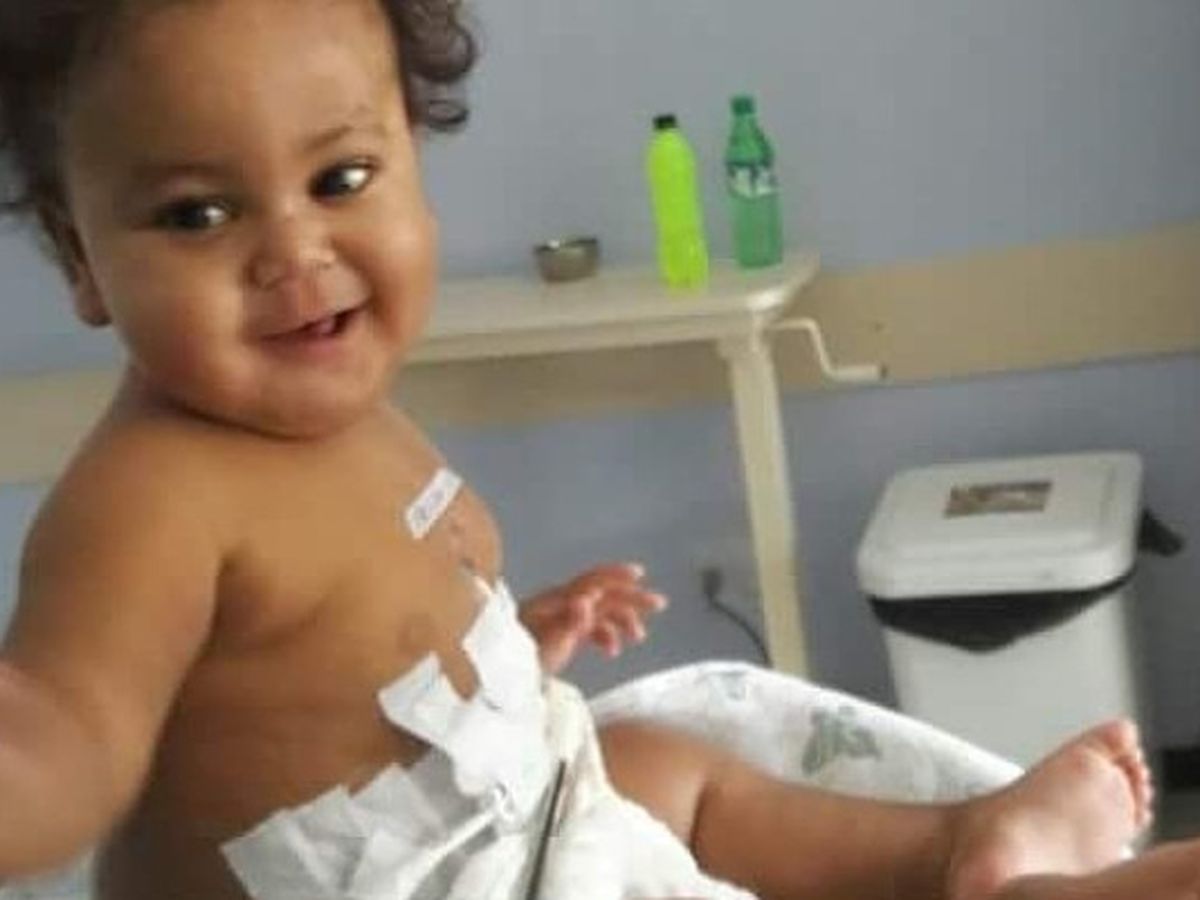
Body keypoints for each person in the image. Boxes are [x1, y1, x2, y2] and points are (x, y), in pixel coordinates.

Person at [0, 0, 1195, 898]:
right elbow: (64, 741)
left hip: (496, 838)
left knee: (658, 764)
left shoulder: (341, 411)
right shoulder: (152, 498)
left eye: (341, 177)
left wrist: (517, 644)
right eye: (197, 214)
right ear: (77, 254)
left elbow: (339, 678)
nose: (294, 253)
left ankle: (957, 853)